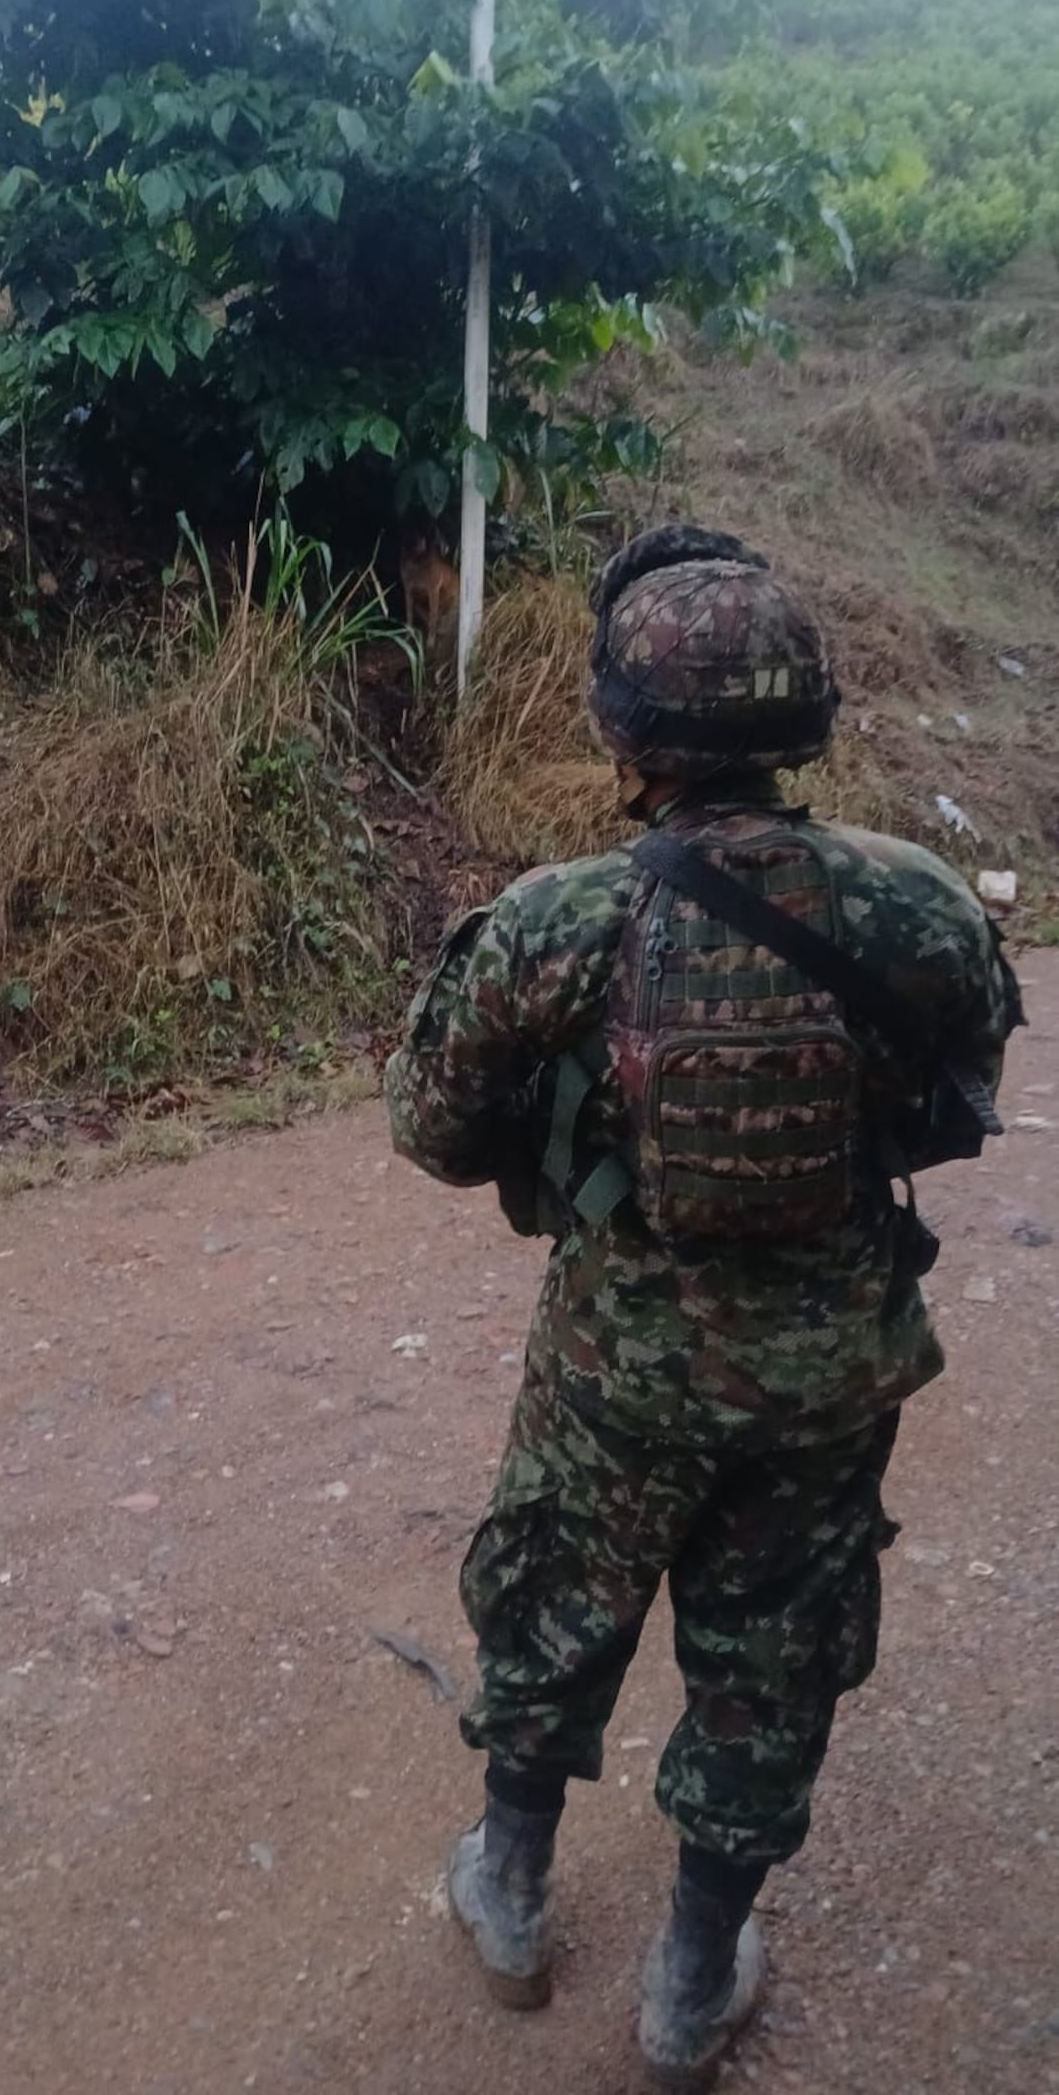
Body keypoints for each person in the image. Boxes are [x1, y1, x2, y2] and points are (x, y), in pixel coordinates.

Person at [385, 526, 1022, 2088]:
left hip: (617, 1366)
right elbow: (955, 1102)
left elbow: (432, 1131)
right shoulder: (922, 903)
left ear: (621, 727)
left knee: (554, 1601)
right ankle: (687, 1988)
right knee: (770, 1657)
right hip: (826, 1378)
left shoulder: (555, 917)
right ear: (808, 717)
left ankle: (515, 1898)